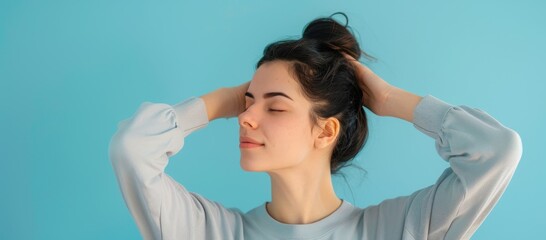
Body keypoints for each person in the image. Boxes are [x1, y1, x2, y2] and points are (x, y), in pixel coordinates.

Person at [109, 13, 523, 240]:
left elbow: (497, 150)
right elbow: (132, 150)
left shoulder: (396, 230)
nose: (246, 117)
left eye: (276, 108)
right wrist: (223, 99)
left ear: (325, 131)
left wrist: (391, 100)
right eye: (247, 102)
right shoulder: (211, 231)